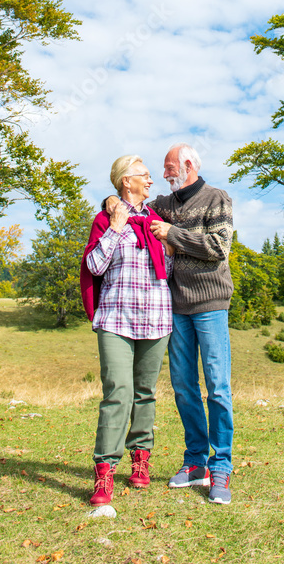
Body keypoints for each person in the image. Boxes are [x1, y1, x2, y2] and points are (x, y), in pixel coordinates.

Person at [106, 143, 234, 504]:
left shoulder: (217, 198)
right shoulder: (164, 204)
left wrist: (171, 234)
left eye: (169, 167)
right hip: (175, 308)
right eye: (160, 170)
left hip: (210, 304)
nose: (163, 175)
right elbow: (129, 201)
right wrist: (110, 203)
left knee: (217, 386)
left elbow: (218, 247)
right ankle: (195, 462)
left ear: (189, 164)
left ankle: (220, 466)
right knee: (184, 387)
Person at [79, 155, 173, 507]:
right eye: (144, 176)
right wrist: (117, 224)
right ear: (125, 182)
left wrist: (170, 243)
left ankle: (141, 460)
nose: (150, 181)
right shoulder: (107, 219)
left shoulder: (156, 221)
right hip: (116, 318)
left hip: (157, 317)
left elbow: (170, 266)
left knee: (145, 392)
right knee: (118, 391)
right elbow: (94, 265)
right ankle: (104, 471)